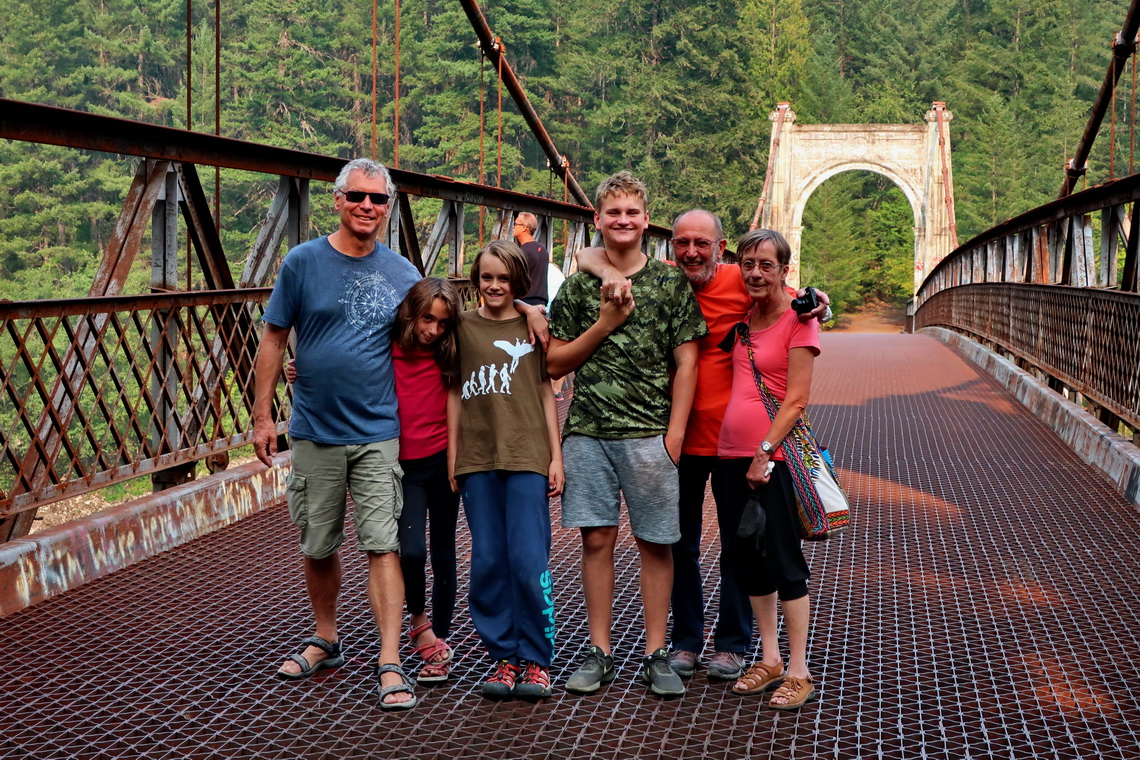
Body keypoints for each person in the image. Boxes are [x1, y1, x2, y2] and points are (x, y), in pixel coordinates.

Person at [576, 210, 830, 681]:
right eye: (682, 243)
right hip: (679, 438)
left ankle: (733, 645)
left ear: (722, 247)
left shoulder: (743, 277)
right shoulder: (664, 278)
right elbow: (586, 252)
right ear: (671, 246)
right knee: (679, 543)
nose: (692, 251)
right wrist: (610, 271)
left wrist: (820, 303)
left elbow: (792, 299)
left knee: (741, 545)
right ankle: (687, 640)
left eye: (702, 243)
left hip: (739, 444)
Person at [253, 158, 421, 711]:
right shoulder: (302, 262)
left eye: (377, 199)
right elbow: (275, 338)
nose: (367, 207)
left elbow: (439, 330)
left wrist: (521, 309)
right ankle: (327, 637)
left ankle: (389, 660)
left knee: (381, 542)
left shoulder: (403, 273)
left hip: (378, 430)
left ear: (388, 206)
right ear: (338, 200)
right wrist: (262, 417)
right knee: (318, 542)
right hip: (314, 429)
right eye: (357, 197)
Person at [547, 172, 707, 698]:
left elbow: (687, 361)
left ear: (645, 220)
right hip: (588, 432)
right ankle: (601, 652)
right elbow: (553, 364)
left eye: (631, 212)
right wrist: (605, 323)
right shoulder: (577, 287)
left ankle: (656, 652)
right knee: (596, 539)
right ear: (597, 220)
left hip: (651, 435)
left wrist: (675, 435)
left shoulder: (668, 285)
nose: (622, 221)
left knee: (656, 543)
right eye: (611, 212)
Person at [447, 240, 564, 701]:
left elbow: (545, 394)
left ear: (518, 283)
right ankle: (503, 656)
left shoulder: (534, 328)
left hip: (527, 457)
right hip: (478, 458)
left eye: (504, 278)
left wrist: (555, 457)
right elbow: (454, 391)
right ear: (476, 281)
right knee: (489, 559)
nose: (494, 285)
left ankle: (536, 658)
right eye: (486, 277)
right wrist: (452, 454)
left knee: (529, 558)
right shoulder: (462, 327)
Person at [718, 228, 819, 710]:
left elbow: (797, 399)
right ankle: (771, 658)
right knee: (748, 561)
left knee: (784, 562)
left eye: (767, 264)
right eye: (748, 264)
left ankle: (800, 670)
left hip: (771, 458)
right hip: (729, 457)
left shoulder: (801, 322)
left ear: (784, 270)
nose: (756, 273)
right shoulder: (743, 318)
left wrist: (764, 452)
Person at [513, 212, 550, 307]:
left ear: (524, 228)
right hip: (541, 303)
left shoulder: (522, 252)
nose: (513, 227)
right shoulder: (543, 250)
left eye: (516, 224)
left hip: (525, 303)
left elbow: (515, 279)